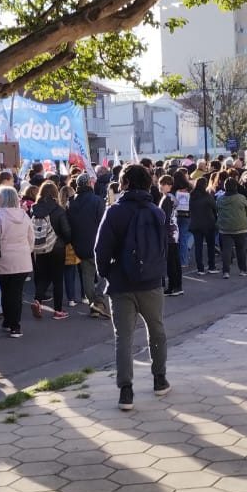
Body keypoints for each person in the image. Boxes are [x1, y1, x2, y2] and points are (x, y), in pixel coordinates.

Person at [94, 164, 169, 412]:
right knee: (156, 329)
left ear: (124, 183)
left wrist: (106, 273)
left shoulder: (114, 212)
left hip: (121, 283)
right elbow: (164, 248)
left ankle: (126, 390)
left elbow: (101, 249)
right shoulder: (156, 211)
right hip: (151, 282)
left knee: (123, 337)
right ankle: (159, 378)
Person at [0, 186, 35, 337]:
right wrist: (26, 250)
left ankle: (10, 322)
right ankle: (14, 324)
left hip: (3, 259)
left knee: (5, 292)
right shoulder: (24, 215)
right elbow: (31, 237)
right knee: (16, 293)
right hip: (22, 259)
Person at [29, 181, 73, 320]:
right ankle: (58, 311)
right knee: (57, 279)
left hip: (39, 247)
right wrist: (66, 241)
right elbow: (66, 231)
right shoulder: (58, 210)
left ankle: (37, 300)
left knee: (43, 276)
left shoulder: (34, 209)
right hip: (57, 247)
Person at [68, 173, 110, 318]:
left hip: (79, 243)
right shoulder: (97, 201)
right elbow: (103, 223)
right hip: (97, 242)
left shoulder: (71, 201)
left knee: (87, 274)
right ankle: (98, 301)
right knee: (106, 272)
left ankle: (94, 305)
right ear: (89, 184)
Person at [215, 173, 247, 278]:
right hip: (240, 227)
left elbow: (217, 210)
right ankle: (242, 270)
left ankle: (226, 272)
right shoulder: (241, 198)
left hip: (225, 228)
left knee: (226, 251)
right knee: (241, 250)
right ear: (236, 186)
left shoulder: (220, 199)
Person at [188, 175, 218, 275]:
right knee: (210, 246)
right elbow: (215, 208)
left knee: (198, 247)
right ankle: (211, 266)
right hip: (209, 224)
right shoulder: (208, 196)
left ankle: (200, 268)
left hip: (196, 224)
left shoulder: (191, 196)